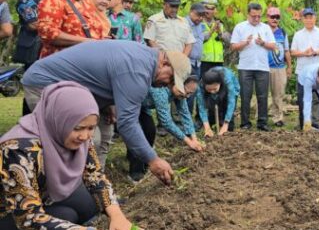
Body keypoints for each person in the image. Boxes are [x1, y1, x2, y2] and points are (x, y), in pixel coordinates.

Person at [0, 82, 141, 230]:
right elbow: (28, 218)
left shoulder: (77, 135)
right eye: (78, 128)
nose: (85, 136)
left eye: (91, 128)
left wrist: (117, 215)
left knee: (89, 204)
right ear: (59, 119)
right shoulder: (17, 150)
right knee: (67, 215)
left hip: (40, 198)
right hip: (10, 215)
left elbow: (95, 177)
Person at [21, 40, 191, 185]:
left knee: (106, 131)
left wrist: (107, 105)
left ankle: (95, 188)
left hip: (79, 91)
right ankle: (64, 192)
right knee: (85, 139)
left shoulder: (145, 58)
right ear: (164, 63)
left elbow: (101, 77)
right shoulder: (138, 69)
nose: (168, 85)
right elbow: (127, 124)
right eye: (170, 79)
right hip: (46, 83)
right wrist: (153, 160)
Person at [14, 0, 60, 115]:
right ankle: (28, 118)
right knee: (33, 84)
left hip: (43, 47)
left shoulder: (46, 0)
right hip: (32, 48)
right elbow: (33, 24)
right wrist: (57, 26)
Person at [37, 0, 108, 58]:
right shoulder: (54, 0)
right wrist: (86, 41)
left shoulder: (86, 3)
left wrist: (101, 39)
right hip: (61, 64)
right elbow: (48, 34)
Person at [231, 3, 276, 131]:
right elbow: (233, 46)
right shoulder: (240, 27)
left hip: (262, 67)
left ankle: (262, 123)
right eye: (253, 16)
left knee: (262, 96)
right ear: (248, 14)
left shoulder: (266, 28)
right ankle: (245, 123)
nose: (256, 19)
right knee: (245, 95)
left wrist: (263, 43)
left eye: (259, 16)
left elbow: (273, 46)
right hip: (245, 67)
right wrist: (245, 42)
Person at [290, 8, 319, 128]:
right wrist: (304, 53)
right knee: (303, 100)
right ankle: (304, 124)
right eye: (306, 17)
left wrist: (315, 52)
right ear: (303, 19)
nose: (309, 20)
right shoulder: (298, 34)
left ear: (315, 18)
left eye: (311, 17)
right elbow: (293, 52)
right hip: (302, 73)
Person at [144, 76, 203, 152]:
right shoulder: (160, 91)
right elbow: (166, 122)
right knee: (139, 131)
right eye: (187, 92)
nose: (187, 96)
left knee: (150, 131)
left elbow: (185, 114)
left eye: (190, 94)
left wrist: (194, 139)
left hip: (145, 107)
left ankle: (146, 157)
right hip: (133, 105)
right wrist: (188, 141)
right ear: (178, 84)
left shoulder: (180, 93)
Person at [194, 66, 240, 137]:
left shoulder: (227, 81)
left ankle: (224, 124)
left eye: (215, 89)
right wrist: (207, 127)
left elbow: (231, 102)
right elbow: (201, 106)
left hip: (231, 89)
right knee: (211, 110)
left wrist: (226, 124)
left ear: (219, 84)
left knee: (229, 127)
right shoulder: (201, 86)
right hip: (212, 89)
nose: (212, 92)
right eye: (209, 89)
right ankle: (210, 126)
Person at [266, 7, 292, 127]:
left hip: (279, 67)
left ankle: (278, 118)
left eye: (277, 17)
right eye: (272, 17)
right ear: (267, 17)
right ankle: (262, 117)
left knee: (278, 94)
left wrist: (289, 66)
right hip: (264, 67)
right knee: (263, 94)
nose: (274, 19)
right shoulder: (263, 30)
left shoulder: (282, 32)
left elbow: (287, 51)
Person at [200, 0, 225, 73]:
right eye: (207, 8)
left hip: (218, 61)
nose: (210, 11)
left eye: (212, 8)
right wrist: (212, 30)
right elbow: (201, 39)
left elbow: (225, 42)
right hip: (203, 61)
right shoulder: (198, 23)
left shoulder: (220, 23)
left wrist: (220, 33)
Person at [186, 3, 207, 79]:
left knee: (194, 88)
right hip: (187, 63)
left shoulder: (201, 25)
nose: (200, 18)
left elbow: (202, 39)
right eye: (198, 15)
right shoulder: (183, 24)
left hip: (197, 64)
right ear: (190, 12)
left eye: (202, 15)